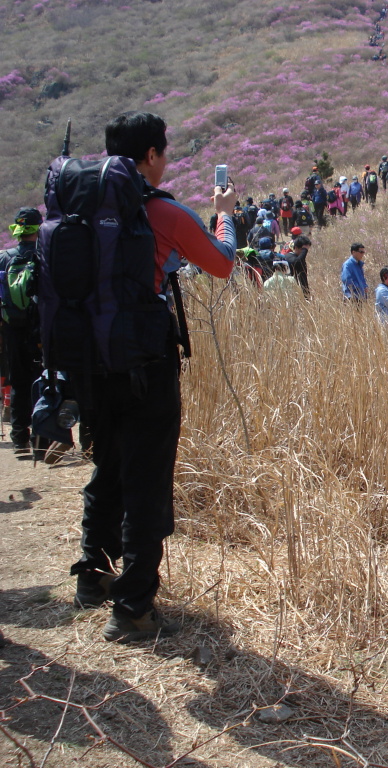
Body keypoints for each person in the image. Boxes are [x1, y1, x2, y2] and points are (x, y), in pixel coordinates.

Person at [64, 111, 236, 643]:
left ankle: (93, 576)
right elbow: (223, 263)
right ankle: (135, 606)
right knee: (147, 481)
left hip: (92, 363)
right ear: (151, 157)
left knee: (107, 466)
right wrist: (223, 214)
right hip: (147, 366)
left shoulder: (81, 210)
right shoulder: (160, 212)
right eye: (164, 152)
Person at [0, 207, 45, 453]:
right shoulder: (44, 256)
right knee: (43, 380)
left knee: (18, 381)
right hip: (40, 328)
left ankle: (19, 439)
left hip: (13, 328)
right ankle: (42, 439)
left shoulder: (4, 258)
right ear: (38, 228)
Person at [285, 227, 311, 299]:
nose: (304, 253)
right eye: (302, 250)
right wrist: (304, 250)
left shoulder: (297, 258)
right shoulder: (289, 257)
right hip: (291, 293)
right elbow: (297, 262)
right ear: (296, 247)